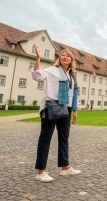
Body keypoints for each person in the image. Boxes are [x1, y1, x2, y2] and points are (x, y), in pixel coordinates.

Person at [31, 44, 81, 182]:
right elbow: (37, 76)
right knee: (45, 138)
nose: (65, 57)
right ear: (59, 59)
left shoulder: (71, 75)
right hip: (52, 106)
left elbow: (73, 93)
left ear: (71, 60)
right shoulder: (52, 70)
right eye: (62, 55)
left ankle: (65, 167)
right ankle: (41, 171)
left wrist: (74, 109)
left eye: (68, 55)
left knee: (64, 138)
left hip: (66, 108)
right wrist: (38, 59)